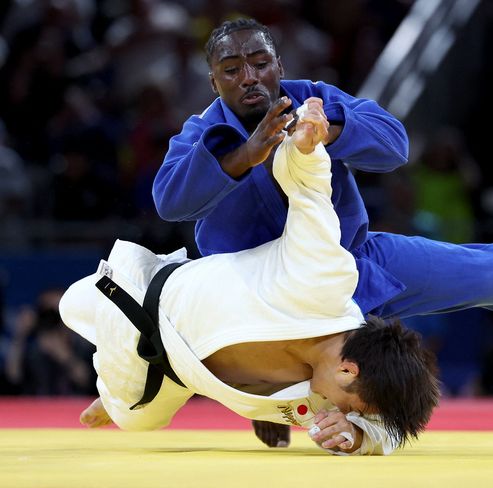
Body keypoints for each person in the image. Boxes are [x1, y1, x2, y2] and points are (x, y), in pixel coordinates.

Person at [152, 18, 493, 443]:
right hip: (264, 299)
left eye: (260, 62)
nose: (249, 77)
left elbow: (394, 144)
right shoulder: (204, 133)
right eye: (231, 68)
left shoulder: (312, 95)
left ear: (278, 65)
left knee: (487, 268)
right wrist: (247, 154)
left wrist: (329, 129)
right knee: (276, 362)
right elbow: (170, 201)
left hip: (351, 261)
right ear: (214, 80)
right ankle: (273, 399)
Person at [60, 100, 439, 456]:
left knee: (138, 419)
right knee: (69, 306)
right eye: (351, 408)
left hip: (166, 384)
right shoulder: (323, 280)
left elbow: (389, 426)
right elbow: (312, 194)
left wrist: (357, 436)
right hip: (145, 300)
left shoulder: (344, 384)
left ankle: (114, 394)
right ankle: (110, 383)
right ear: (347, 370)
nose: (344, 413)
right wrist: (305, 147)